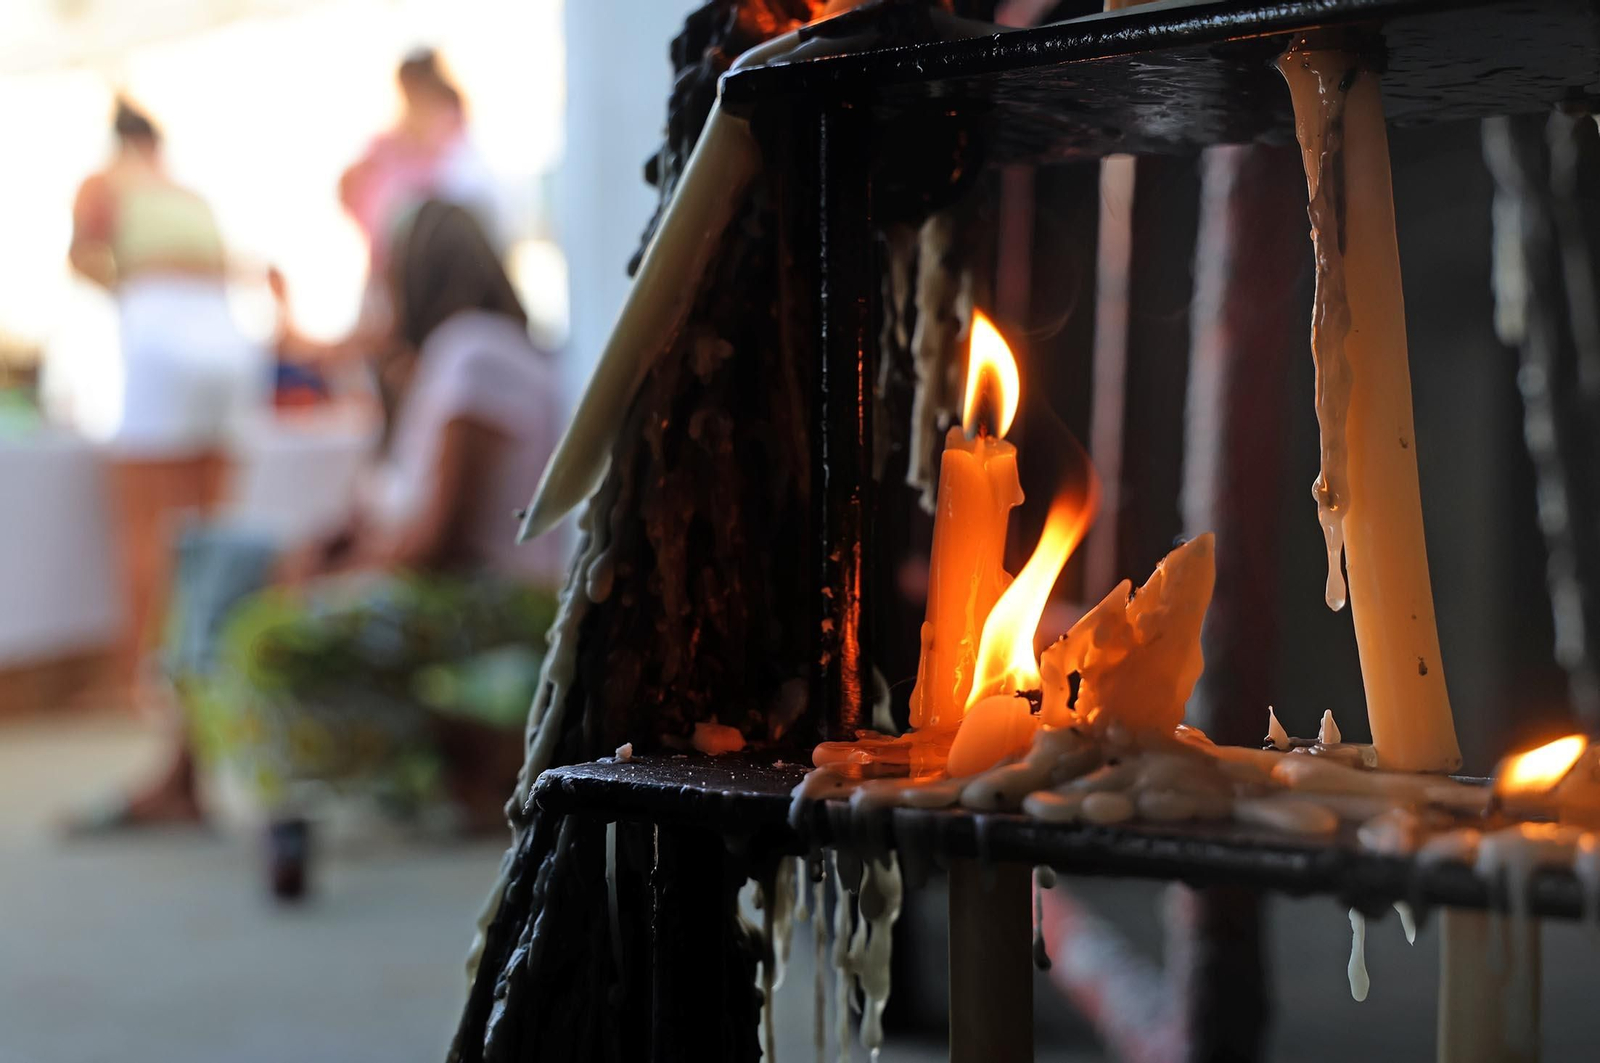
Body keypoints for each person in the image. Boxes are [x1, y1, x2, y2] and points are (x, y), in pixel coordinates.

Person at [78, 202, 566, 899]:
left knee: (261, 632)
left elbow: (440, 541)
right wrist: (336, 544)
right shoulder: (450, 359)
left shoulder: (472, 351)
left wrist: (333, 575)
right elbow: (397, 508)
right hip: (446, 580)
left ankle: (311, 797)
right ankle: (183, 774)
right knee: (216, 554)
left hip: (494, 596)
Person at [68, 98, 267, 697]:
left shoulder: (104, 182)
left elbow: (81, 258)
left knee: (146, 525)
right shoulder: (189, 194)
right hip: (229, 338)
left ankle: (137, 681)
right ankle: (211, 676)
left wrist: (126, 289)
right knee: (212, 523)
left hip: (162, 330)